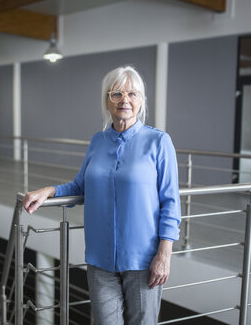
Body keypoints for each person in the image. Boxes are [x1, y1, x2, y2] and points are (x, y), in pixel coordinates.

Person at [23, 66, 181, 324]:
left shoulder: (159, 142)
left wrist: (164, 254)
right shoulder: (98, 141)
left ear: (141, 100)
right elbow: (79, 186)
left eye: (132, 94)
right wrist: (49, 191)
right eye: (116, 93)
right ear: (107, 101)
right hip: (100, 260)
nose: (125, 100)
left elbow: (171, 202)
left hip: (143, 260)